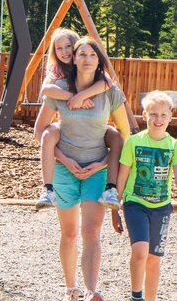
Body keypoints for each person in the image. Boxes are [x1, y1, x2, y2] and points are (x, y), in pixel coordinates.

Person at [34, 36, 130, 301]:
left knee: (91, 232)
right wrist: (65, 159)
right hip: (65, 169)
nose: (87, 59)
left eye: (92, 55)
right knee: (69, 233)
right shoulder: (60, 88)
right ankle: (71, 293)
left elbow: (123, 136)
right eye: (81, 54)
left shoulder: (110, 92)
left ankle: (90, 295)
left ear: (99, 60)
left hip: (97, 170)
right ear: (73, 59)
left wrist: (102, 163)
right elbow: (41, 131)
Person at [35, 28, 124, 211]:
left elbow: (108, 83)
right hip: (67, 130)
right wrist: (73, 98)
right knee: (49, 133)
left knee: (115, 136)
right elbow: (45, 90)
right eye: (59, 48)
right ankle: (47, 189)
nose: (65, 52)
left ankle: (111, 188)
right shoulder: (56, 71)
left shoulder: (95, 71)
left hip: (93, 142)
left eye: (68, 46)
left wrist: (82, 96)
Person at [112, 91, 177, 301]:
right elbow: (122, 177)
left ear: (170, 117)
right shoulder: (134, 142)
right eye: (153, 114)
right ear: (144, 116)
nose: (158, 119)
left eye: (163, 115)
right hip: (135, 204)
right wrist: (115, 209)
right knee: (139, 251)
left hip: (161, 207)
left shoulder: (173, 146)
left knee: (154, 259)